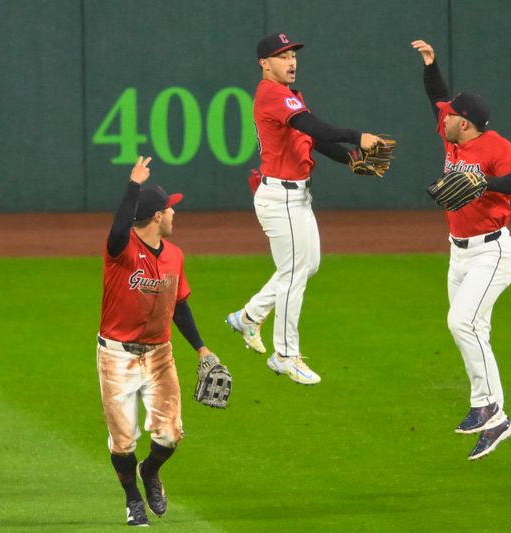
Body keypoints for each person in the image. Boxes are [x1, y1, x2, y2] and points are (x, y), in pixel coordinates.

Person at [226, 32, 385, 385]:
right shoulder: (270, 94)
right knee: (294, 274)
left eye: (293, 54)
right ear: (264, 64)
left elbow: (310, 138)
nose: (292, 61)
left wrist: (350, 159)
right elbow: (313, 126)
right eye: (283, 56)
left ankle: (249, 316)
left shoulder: (290, 95)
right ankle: (285, 355)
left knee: (305, 266)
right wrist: (356, 135)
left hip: (296, 197)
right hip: (279, 199)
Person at [411, 39, 511, 460]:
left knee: (460, 322)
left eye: (451, 115)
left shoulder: (495, 146)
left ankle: (490, 409)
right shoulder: (454, 135)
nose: (443, 116)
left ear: (464, 122)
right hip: (458, 252)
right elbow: (437, 95)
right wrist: (431, 64)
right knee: (475, 331)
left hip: (492, 253)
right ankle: (493, 416)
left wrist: (487, 183)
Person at [97, 156, 225, 525]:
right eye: (170, 210)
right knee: (122, 443)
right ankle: (132, 499)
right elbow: (118, 229)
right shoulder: (120, 253)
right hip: (117, 357)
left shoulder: (175, 256)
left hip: (159, 355)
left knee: (169, 435)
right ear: (156, 217)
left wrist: (201, 347)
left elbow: (179, 305)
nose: (174, 215)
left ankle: (149, 471)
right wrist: (133, 184)